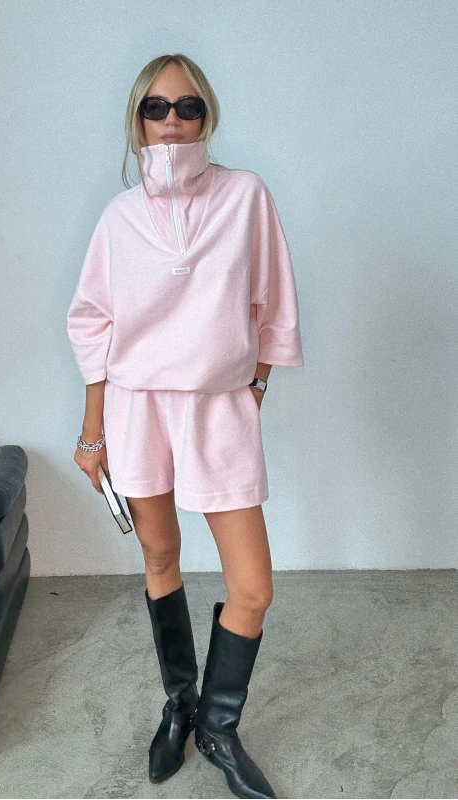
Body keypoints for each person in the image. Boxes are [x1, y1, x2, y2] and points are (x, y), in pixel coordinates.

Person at [66, 53, 304, 800]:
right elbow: (94, 323)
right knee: (160, 556)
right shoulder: (119, 218)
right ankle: (181, 705)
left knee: (253, 587)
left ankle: (219, 729)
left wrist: (255, 384)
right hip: (137, 406)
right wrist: (93, 434)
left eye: (188, 106)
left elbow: (272, 300)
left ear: (208, 116)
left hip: (216, 405)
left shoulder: (246, 196)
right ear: (137, 119)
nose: (172, 120)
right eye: (157, 107)